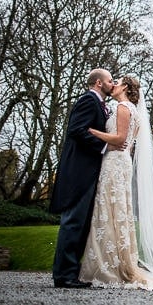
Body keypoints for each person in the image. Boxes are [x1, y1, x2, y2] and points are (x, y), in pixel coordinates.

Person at [79, 75, 153, 289]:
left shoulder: (122, 108)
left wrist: (94, 132)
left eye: (117, 82)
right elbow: (127, 144)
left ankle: (109, 266)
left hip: (114, 163)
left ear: (125, 87)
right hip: (122, 162)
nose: (114, 85)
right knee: (118, 210)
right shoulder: (134, 112)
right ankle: (117, 261)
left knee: (109, 210)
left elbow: (119, 139)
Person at [50, 68, 115, 289]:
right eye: (109, 80)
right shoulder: (88, 100)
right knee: (73, 222)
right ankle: (63, 275)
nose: (112, 84)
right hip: (79, 172)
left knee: (82, 223)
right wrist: (105, 146)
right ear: (98, 83)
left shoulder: (99, 104)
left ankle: (71, 273)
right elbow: (76, 130)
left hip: (89, 172)